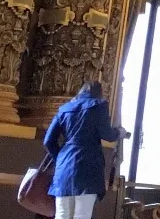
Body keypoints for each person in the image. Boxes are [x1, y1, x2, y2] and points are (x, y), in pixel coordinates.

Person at [43, 81, 124, 219]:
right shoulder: (99, 105)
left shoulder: (64, 109)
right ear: (99, 93)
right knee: (82, 215)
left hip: (64, 168)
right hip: (88, 165)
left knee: (62, 214)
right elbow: (107, 134)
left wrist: (60, 159)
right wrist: (119, 133)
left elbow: (48, 141)